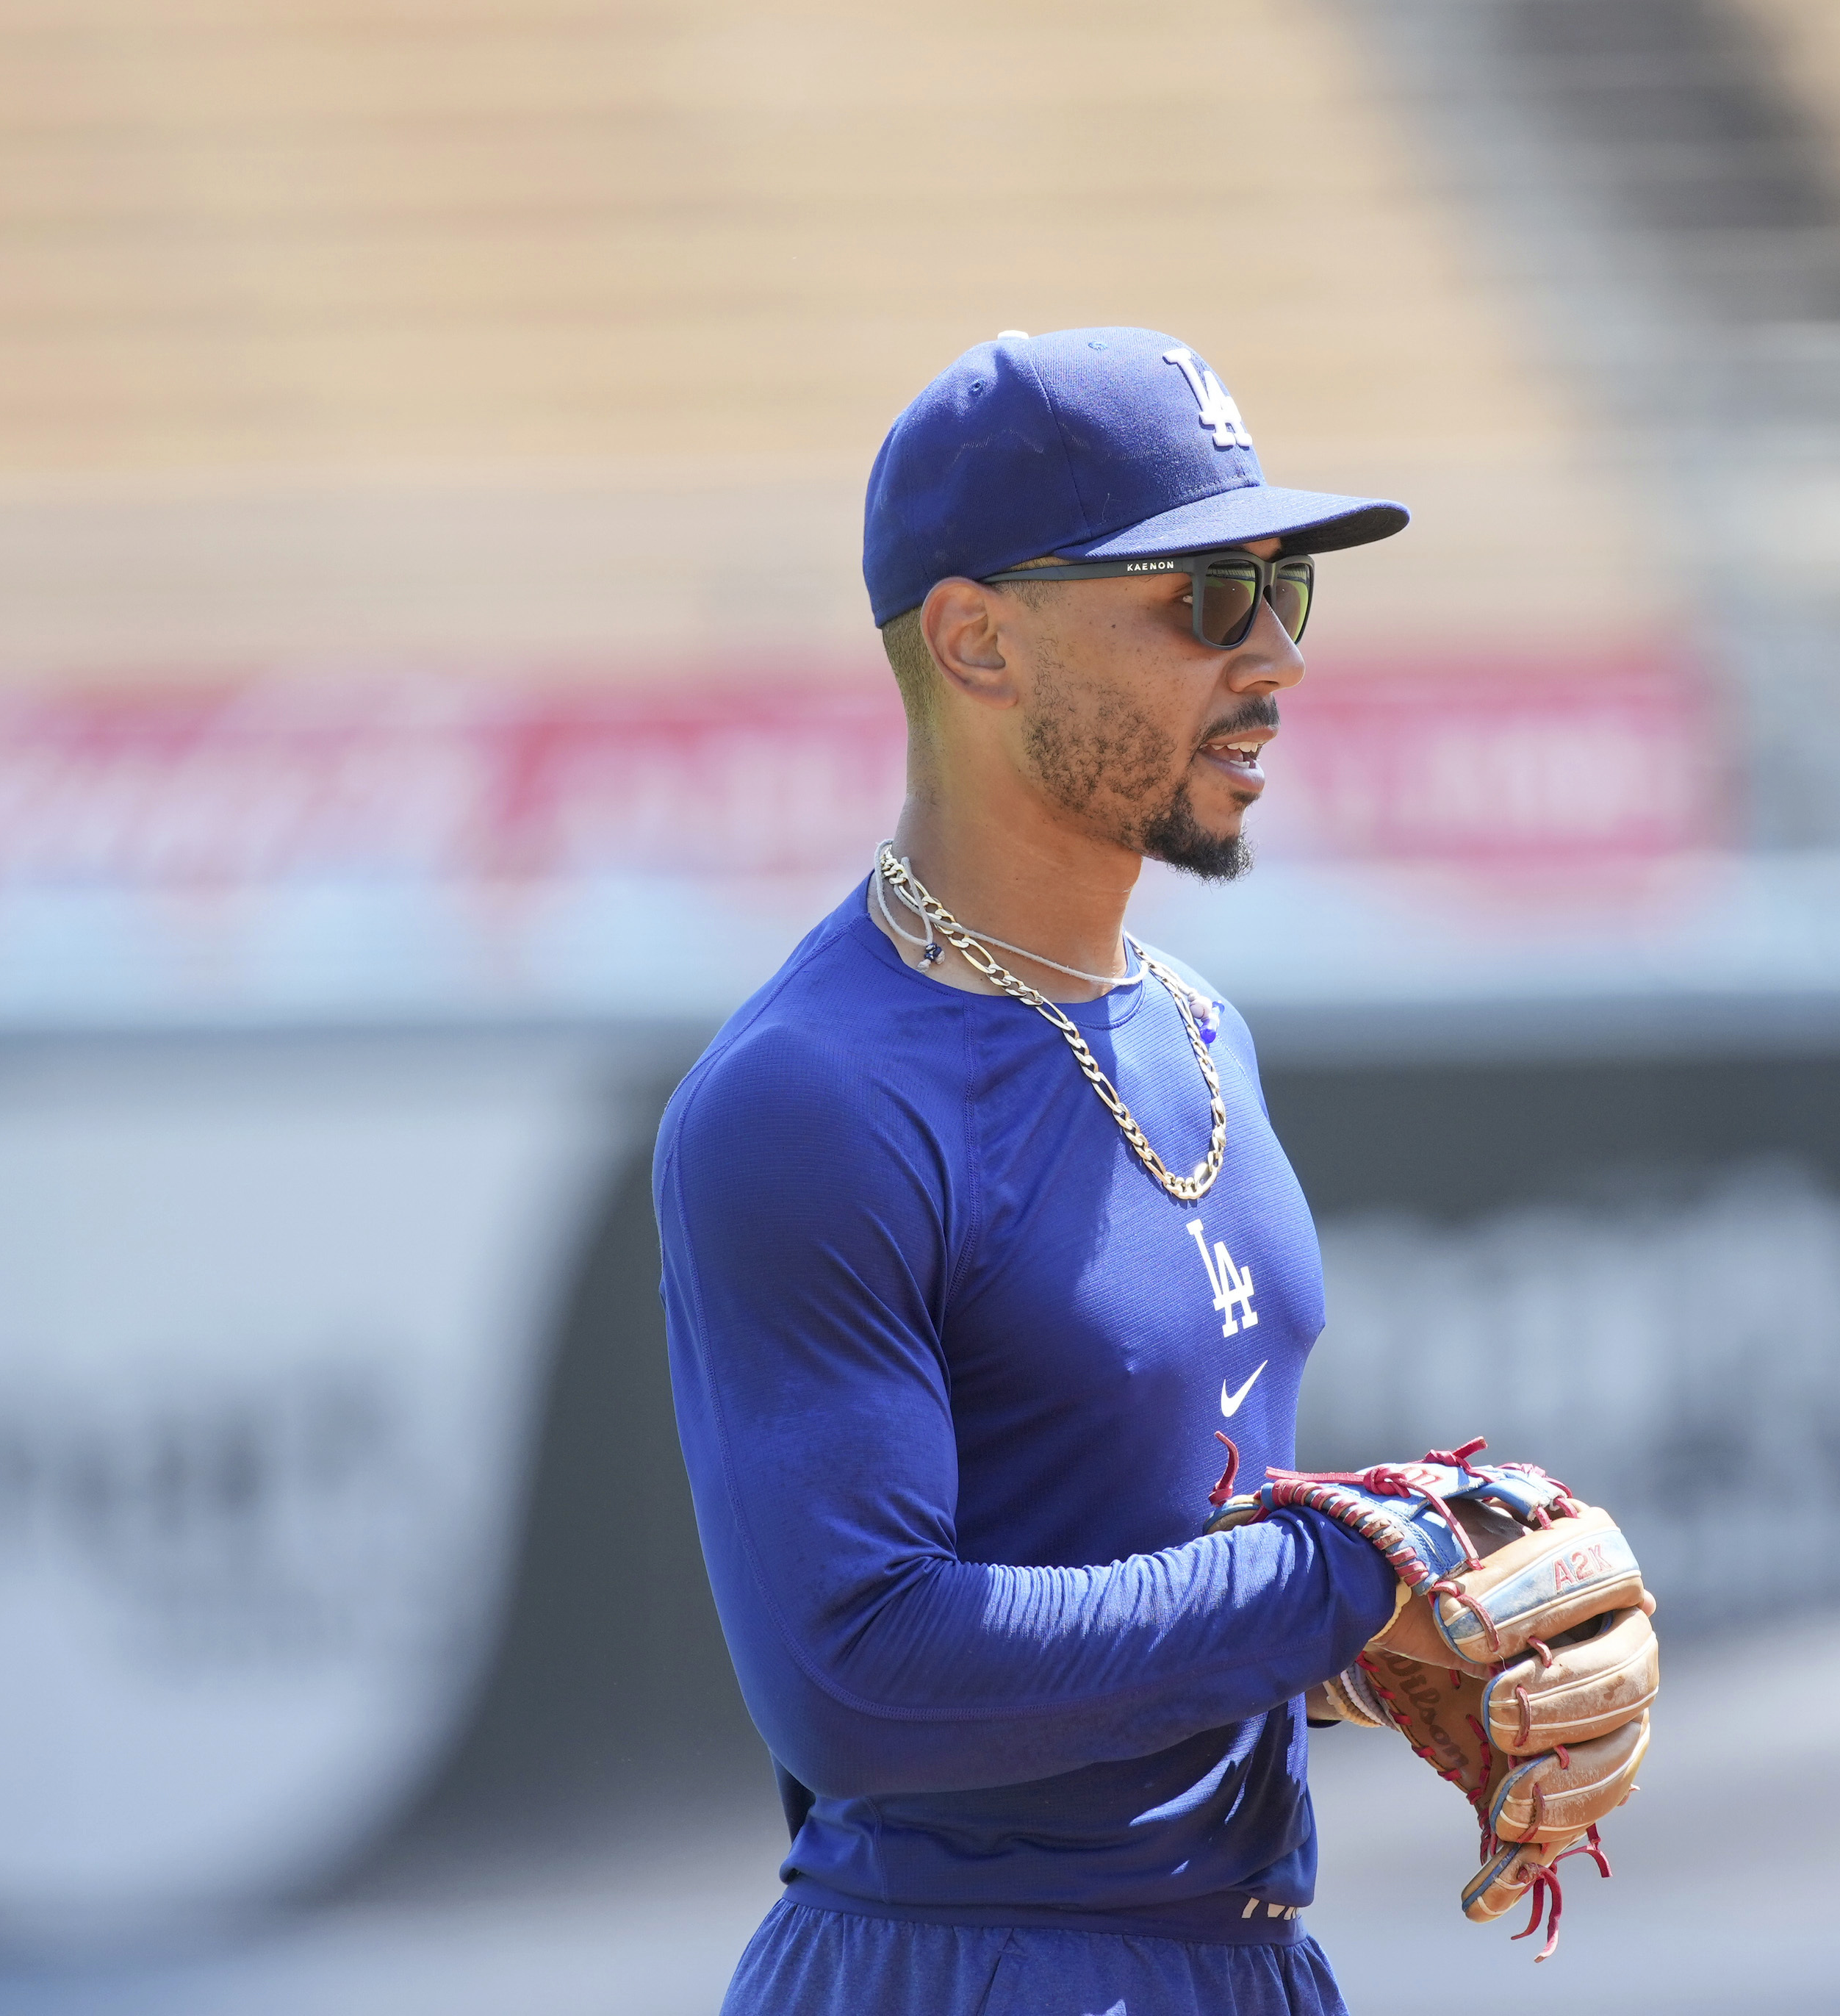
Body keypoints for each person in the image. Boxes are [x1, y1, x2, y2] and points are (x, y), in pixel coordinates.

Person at [655, 327, 1411, 2016]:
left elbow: (1140, 1561)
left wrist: (1378, 1655)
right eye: (1206, 596)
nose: (1276, 654)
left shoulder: (1203, 1027)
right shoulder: (811, 1093)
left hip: (1248, 1958)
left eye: (1288, 584)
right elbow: (858, 1675)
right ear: (976, 638)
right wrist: (1354, 1574)